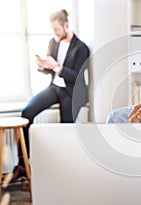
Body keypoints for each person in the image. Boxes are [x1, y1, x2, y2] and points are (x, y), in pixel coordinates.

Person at [13, 9, 90, 180]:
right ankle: (22, 164)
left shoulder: (81, 48)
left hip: (71, 91)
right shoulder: (53, 42)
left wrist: (57, 67)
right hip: (55, 88)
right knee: (26, 113)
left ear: (66, 25)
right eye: (53, 30)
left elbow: (76, 77)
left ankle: (64, 170)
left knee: (65, 128)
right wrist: (43, 66)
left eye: (57, 30)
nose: (54, 33)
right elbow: (49, 71)